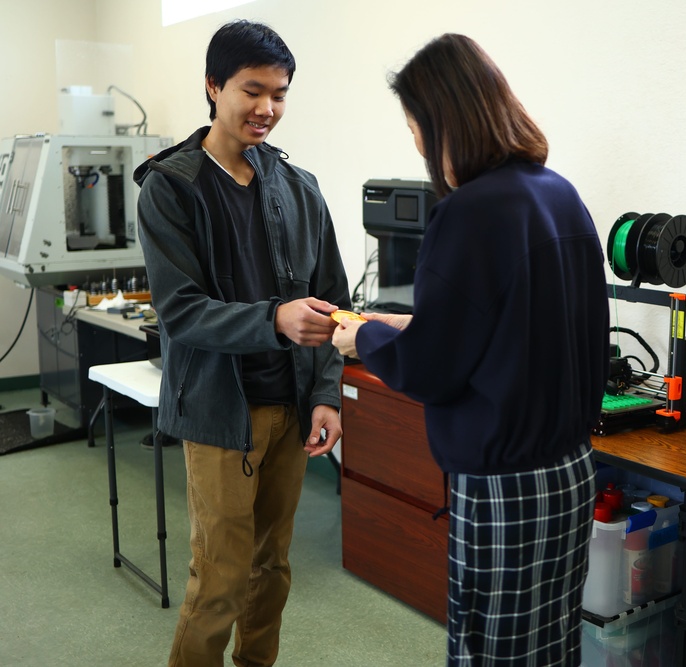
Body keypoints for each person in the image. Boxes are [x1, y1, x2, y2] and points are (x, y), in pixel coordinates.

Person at [333, 33, 610, 666]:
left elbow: (431, 369)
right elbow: (519, 329)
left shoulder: (468, 213)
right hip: (569, 475)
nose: (418, 146)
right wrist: (404, 324)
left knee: (492, 652)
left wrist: (364, 335)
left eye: (416, 129)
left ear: (445, 123)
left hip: (502, 486)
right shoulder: (559, 194)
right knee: (551, 648)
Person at [134, 20, 351, 667]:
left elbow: (333, 303)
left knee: (271, 569)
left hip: (292, 408)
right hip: (222, 414)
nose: (267, 109)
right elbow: (182, 312)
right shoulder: (171, 187)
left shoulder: (299, 188)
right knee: (221, 579)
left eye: (280, 93)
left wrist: (327, 395)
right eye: (252, 90)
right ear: (213, 85)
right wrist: (275, 319)